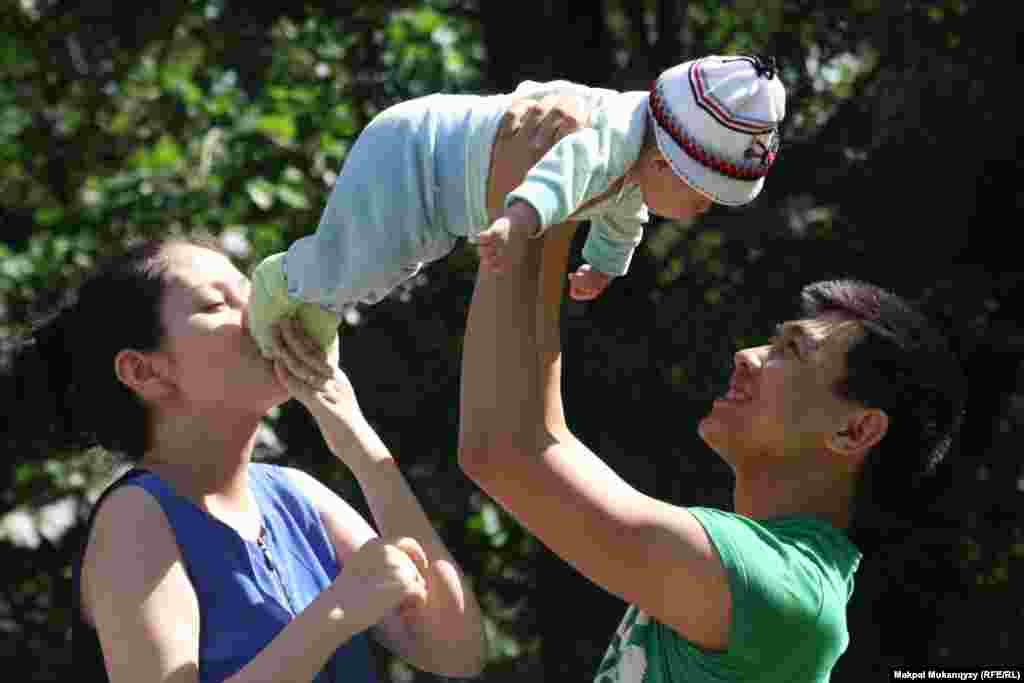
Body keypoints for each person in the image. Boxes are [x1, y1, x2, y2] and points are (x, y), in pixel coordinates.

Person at [456, 220, 966, 681]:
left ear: (855, 432)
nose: (747, 356)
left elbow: (504, 449)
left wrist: (533, 206)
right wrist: (548, 214)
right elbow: (534, 437)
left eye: (792, 350)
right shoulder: (767, 578)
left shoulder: (779, 592)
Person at [10, 237, 486, 681]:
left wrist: (359, 442)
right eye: (218, 304)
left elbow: (456, 650)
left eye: (249, 291)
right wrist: (336, 613)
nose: (257, 311)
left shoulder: (296, 496)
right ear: (144, 371)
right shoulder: (135, 521)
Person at [244, 54, 786, 356]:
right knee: (358, 261)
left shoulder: (638, 160)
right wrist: (517, 221)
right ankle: (282, 285)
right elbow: (561, 169)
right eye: (705, 198)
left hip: (440, 196)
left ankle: (314, 309)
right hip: (415, 156)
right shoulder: (608, 138)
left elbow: (623, 215)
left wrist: (603, 266)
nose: (702, 212)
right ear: (670, 164)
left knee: (383, 269)